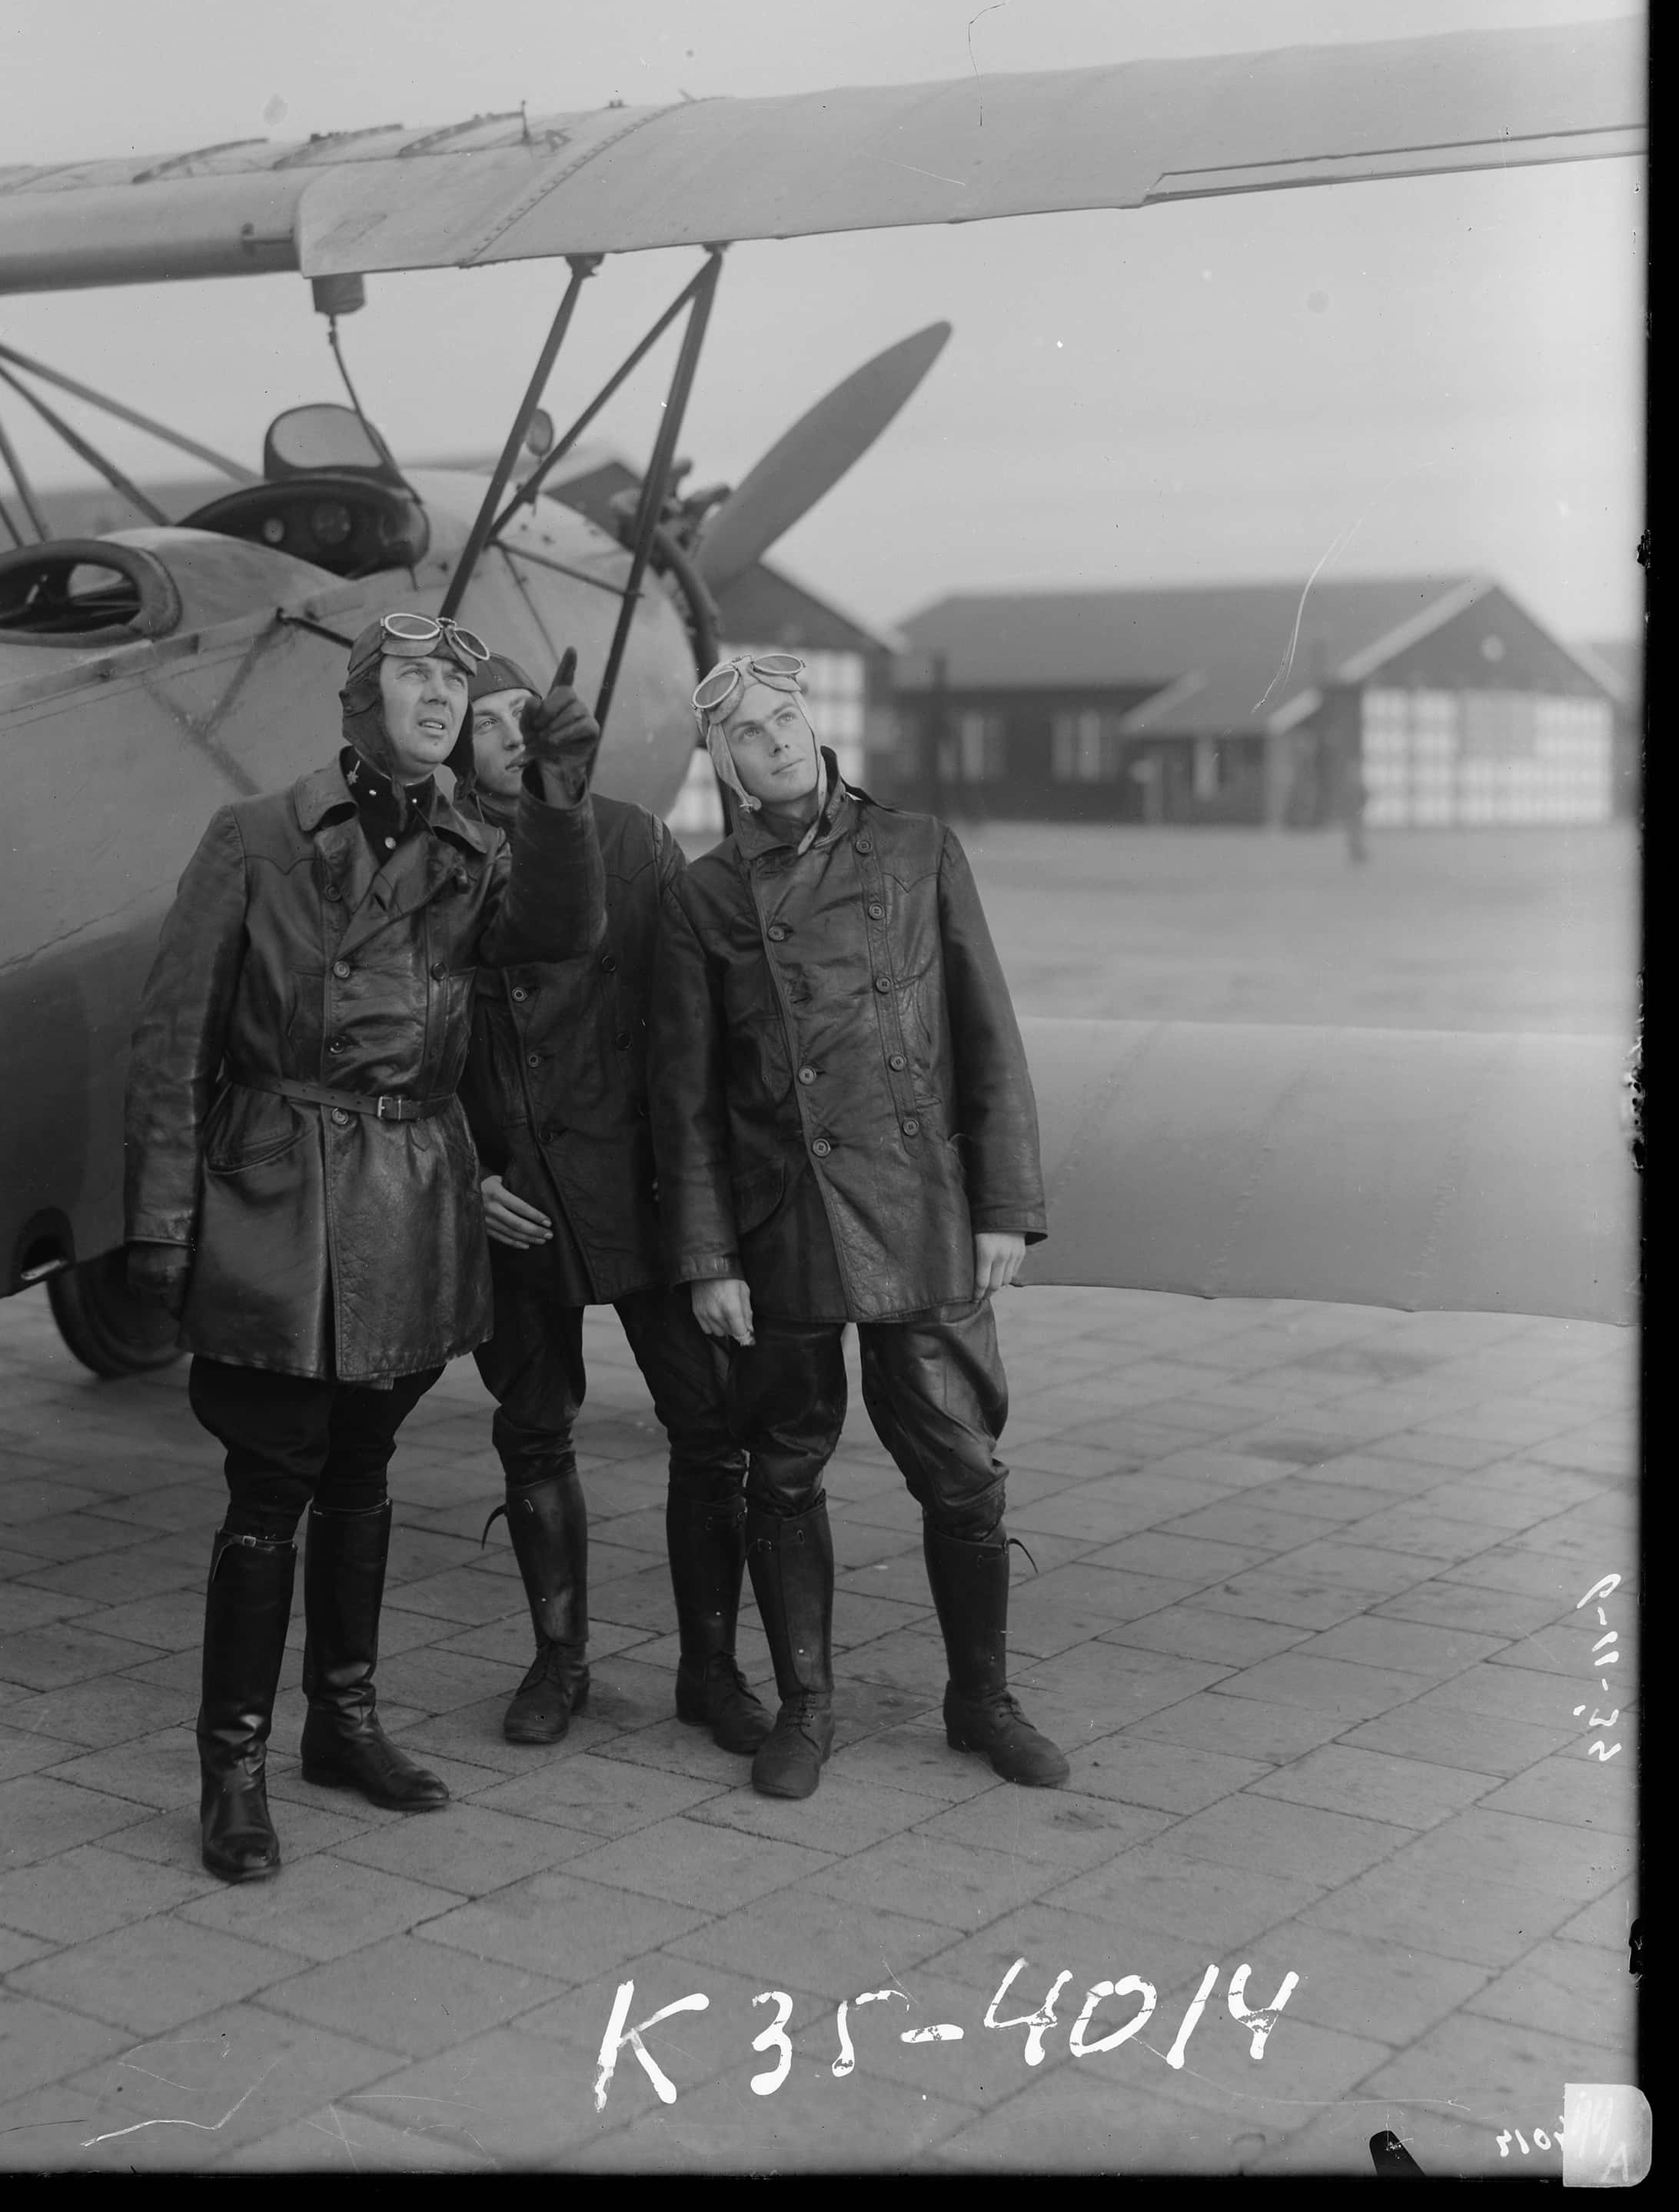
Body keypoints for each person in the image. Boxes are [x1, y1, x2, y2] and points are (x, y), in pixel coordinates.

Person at [124, 610, 604, 1881]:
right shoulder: (256, 836)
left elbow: (559, 933)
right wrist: (162, 1223)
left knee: (363, 1470)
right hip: (278, 1194)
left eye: (455, 679)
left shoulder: (474, 845)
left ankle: (343, 1724)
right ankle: (233, 1769)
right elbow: (173, 1043)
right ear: (359, 699)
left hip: (407, 1197)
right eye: (414, 675)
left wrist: (557, 804)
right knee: (269, 1484)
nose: (441, 696)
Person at [650, 654, 1071, 1801]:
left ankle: (982, 1701)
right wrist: (709, 1260)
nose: (779, 739)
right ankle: (807, 1708)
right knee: (783, 1470)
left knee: (962, 1470)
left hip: (921, 1205)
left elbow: (987, 1034)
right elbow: (687, 1100)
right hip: (783, 1218)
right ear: (727, 767)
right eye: (750, 733)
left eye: (786, 715)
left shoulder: (920, 849)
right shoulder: (703, 897)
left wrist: (1004, 1208)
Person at [454, 655, 773, 1756]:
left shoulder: (634, 840)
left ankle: (712, 1671)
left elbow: (695, 1017)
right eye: (485, 722)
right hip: (515, 1195)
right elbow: (406, 1033)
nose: (510, 734)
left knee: (711, 1427)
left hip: (642, 1185)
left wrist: (708, 1194)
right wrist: (463, 1175)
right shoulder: (438, 857)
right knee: (533, 1429)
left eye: (523, 715)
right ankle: (560, 1662)